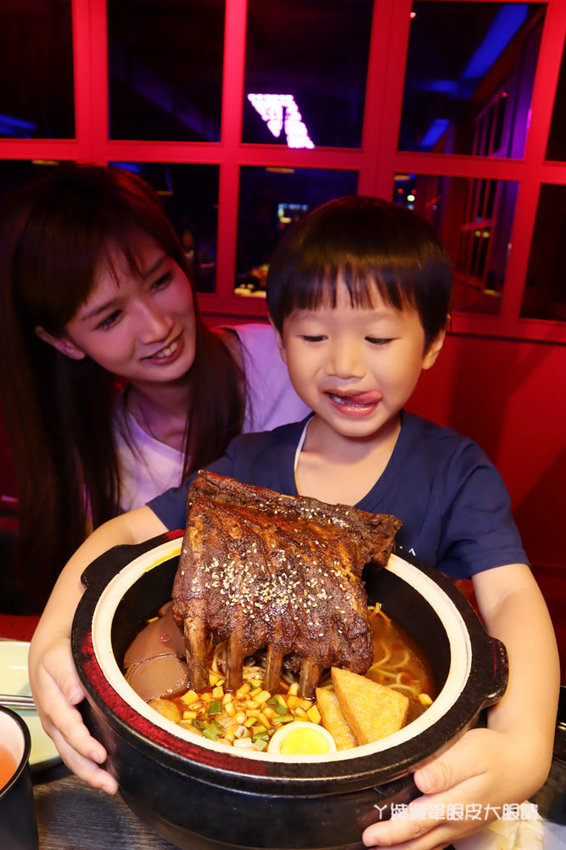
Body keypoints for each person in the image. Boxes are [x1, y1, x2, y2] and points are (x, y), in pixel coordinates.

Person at [28, 196, 559, 849]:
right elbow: (123, 536)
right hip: (238, 803)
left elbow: (509, 596)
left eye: (380, 337)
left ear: (434, 340)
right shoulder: (251, 461)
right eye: (313, 337)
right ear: (280, 343)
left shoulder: (456, 470)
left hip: (406, 787)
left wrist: (523, 747)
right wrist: (51, 641)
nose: (345, 364)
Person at [0, 163, 309, 612]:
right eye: (110, 318)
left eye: (160, 281)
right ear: (64, 342)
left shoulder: (294, 364)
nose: (158, 326)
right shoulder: (100, 465)